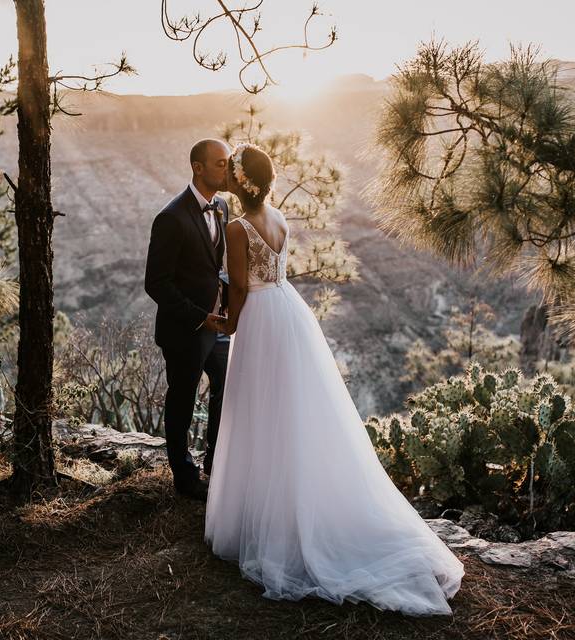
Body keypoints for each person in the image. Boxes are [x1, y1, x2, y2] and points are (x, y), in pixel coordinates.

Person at [203, 143, 464, 616]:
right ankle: (287, 505)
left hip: (260, 319)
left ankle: (268, 519)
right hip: (290, 313)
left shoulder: (239, 228)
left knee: (258, 412)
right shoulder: (279, 218)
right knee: (293, 412)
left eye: (232, 172)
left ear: (242, 182)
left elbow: (240, 288)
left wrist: (227, 325)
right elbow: (273, 273)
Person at [144, 139, 231, 500]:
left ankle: (216, 463)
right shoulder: (171, 217)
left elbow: (215, 269)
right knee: (182, 400)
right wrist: (200, 317)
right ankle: (184, 477)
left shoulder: (222, 206)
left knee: (227, 389)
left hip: (218, 326)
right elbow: (156, 283)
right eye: (221, 163)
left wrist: (227, 305)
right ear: (199, 167)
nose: (228, 169)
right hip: (186, 329)